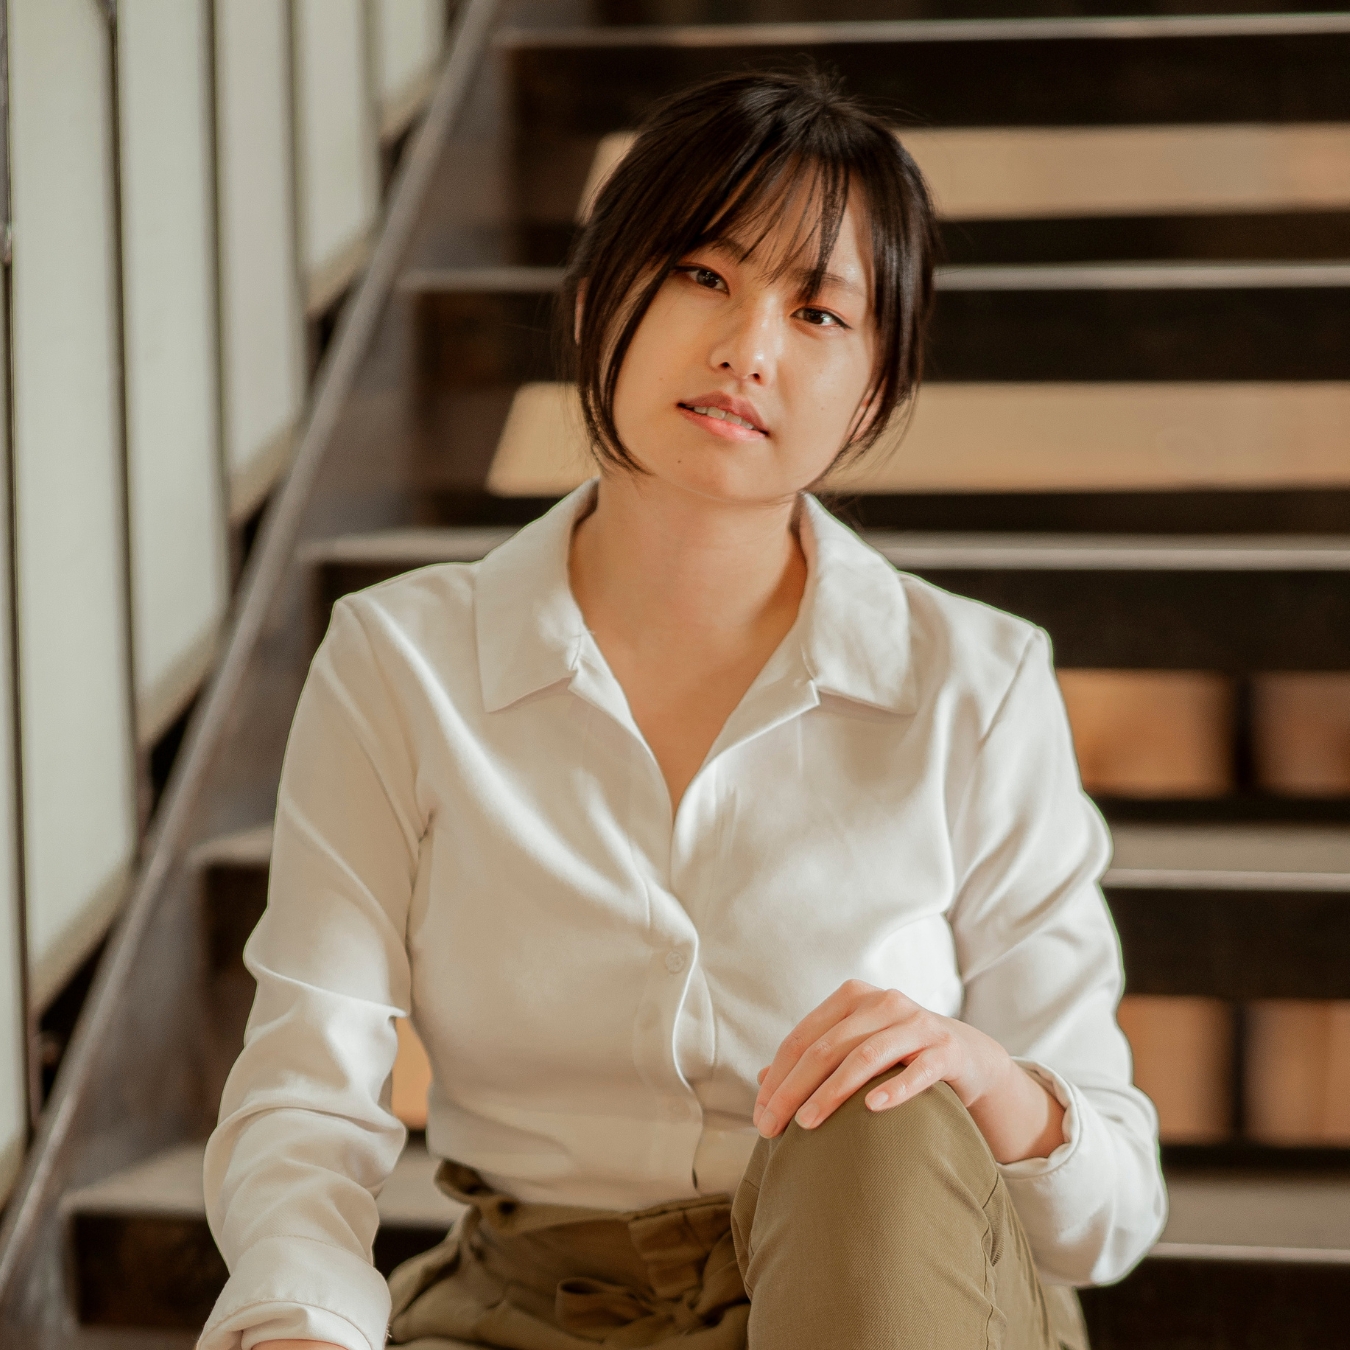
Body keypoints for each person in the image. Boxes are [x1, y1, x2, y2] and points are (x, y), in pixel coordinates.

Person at [198, 69, 1167, 1350]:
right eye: (705, 275)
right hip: (533, 1310)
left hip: (896, 1295)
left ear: (872, 391)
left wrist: (985, 1079)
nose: (747, 349)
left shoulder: (975, 688)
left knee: (872, 1106)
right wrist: (299, 1325)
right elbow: (308, 1099)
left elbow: (1110, 1212)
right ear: (601, 294)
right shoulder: (400, 663)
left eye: (819, 312)